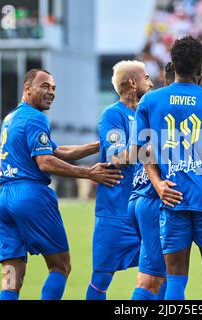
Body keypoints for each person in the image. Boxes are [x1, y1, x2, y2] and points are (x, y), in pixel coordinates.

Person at [0, 68, 123, 300]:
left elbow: (58, 151)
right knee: (60, 265)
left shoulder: (12, 117)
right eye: (44, 86)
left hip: (4, 197)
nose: (51, 92)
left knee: (11, 273)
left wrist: (99, 144)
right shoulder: (36, 118)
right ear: (27, 88)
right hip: (30, 195)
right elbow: (45, 162)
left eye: (53, 88)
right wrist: (89, 173)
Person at [133, 35, 202, 300]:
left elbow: (140, 151)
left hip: (171, 197)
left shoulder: (150, 101)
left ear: (172, 64)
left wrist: (158, 184)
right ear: (201, 67)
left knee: (176, 278)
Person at [86, 60, 153, 300]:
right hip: (115, 211)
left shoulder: (146, 113)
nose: (151, 82)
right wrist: (155, 150)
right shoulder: (112, 115)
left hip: (145, 210)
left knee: (159, 273)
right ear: (133, 83)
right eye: (146, 77)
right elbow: (117, 157)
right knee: (101, 278)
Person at [128, 62, 175, 300]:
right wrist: (156, 182)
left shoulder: (149, 105)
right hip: (152, 198)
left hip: (139, 196)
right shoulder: (167, 107)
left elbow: (137, 149)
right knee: (152, 278)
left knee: (164, 272)